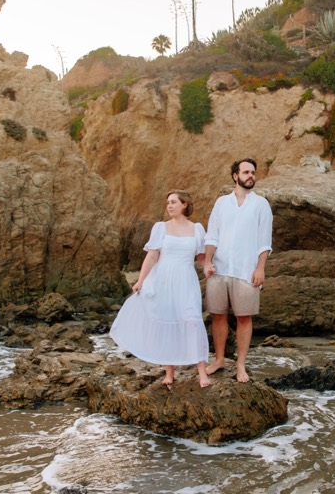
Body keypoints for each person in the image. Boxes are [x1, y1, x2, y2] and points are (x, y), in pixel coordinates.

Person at [109, 191, 213, 389]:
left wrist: (207, 267)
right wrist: (141, 280)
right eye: (168, 203)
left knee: (192, 320)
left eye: (173, 202)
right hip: (163, 279)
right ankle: (169, 372)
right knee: (167, 320)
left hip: (186, 280)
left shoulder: (197, 229)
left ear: (184, 205)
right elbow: (152, 256)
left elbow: (201, 257)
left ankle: (201, 372)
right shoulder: (160, 228)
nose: (169, 206)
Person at [202, 158, 273, 383]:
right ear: (235, 176)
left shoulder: (261, 204)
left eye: (253, 172)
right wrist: (207, 261)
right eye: (245, 172)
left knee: (244, 318)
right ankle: (219, 360)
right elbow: (212, 234)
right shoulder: (222, 203)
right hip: (219, 269)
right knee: (218, 316)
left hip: (246, 271)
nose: (250, 175)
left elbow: (264, 241)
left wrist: (261, 268)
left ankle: (241, 365)